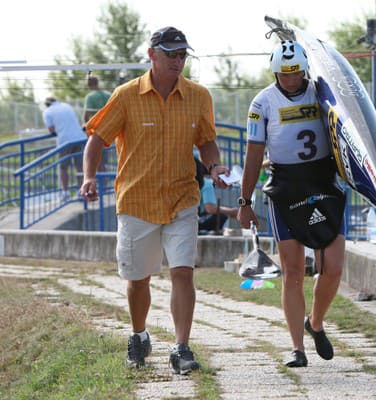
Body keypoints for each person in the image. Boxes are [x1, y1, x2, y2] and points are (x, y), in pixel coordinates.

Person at [79, 26, 229, 375]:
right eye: (171, 54)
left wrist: (214, 164)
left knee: (182, 272)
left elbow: (206, 140)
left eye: (182, 55)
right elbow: (97, 139)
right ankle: (139, 335)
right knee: (138, 279)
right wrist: (89, 177)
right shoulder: (126, 95)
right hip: (137, 200)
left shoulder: (198, 96)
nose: (178, 61)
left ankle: (181, 347)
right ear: (152, 55)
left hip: (181, 197)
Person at [238, 40, 346, 368]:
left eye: (296, 73)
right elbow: (254, 154)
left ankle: (315, 322)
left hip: (324, 182)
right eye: (284, 74)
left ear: (305, 69)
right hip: (286, 188)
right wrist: (245, 200)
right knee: (293, 272)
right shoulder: (262, 103)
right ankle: (297, 348)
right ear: (274, 72)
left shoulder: (322, 91)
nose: (291, 80)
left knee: (333, 268)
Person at [43, 97, 87, 201]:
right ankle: (81, 191)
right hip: (80, 138)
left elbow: (51, 130)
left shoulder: (47, 112)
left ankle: (65, 193)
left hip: (65, 141)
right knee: (79, 166)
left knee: (63, 168)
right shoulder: (66, 106)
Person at [195, 158, 238, 233]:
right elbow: (210, 209)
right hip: (198, 220)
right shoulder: (207, 183)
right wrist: (232, 212)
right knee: (222, 216)